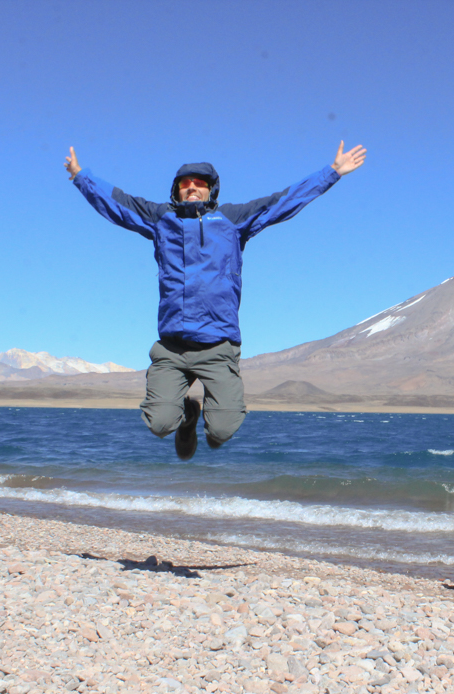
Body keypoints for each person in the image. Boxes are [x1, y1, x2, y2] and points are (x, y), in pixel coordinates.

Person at [64, 142, 367, 459]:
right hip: (172, 346)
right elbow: (117, 203)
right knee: (159, 423)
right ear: (176, 191)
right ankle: (186, 417)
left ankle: (205, 415)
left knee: (222, 430)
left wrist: (332, 173)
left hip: (218, 346)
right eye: (185, 183)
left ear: (211, 190)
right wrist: (79, 176)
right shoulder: (161, 219)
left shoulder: (232, 220)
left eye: (199, 183)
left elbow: (282, 202)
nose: (192, 187)